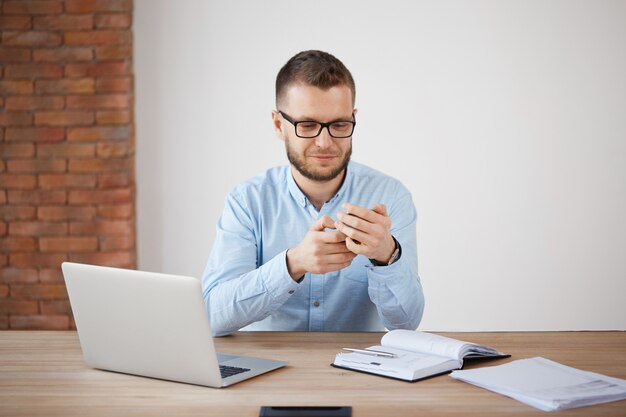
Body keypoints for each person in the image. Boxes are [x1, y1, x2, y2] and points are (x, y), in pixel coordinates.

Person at [202, 50, 424, 336]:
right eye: (307, 125)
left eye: (339, 125)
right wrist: (292, 264)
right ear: (279, 125)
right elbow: (213, 316)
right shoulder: (247, 201)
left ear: (353, 119)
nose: (324, 142)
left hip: (360, 374)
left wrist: (387, 256)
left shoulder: (391, 196)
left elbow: (407, 325)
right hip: (266, 371)